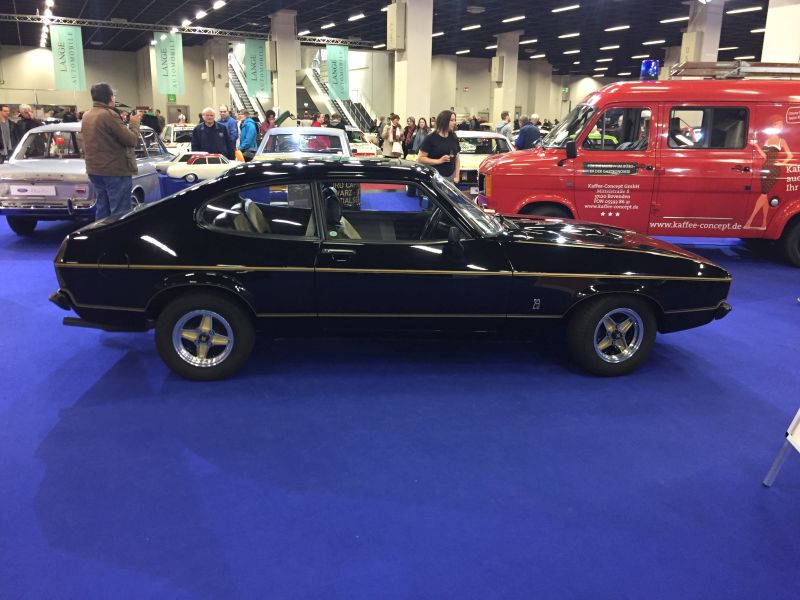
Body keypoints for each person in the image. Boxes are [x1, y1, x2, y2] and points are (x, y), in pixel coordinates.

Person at [81, 82, 142, 220]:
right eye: (113, 96)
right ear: (110, 97)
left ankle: (101, 234)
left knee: (103, 209)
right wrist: (134, 123)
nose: (114, 98)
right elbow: (131, 140)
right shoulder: (109, 115)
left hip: (95, 169)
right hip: (115, 170)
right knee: (120, 212)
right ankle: (118, 234)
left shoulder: (87, 115)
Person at [745, 116, 794, 229]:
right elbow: (765, 156)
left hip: (773, 170)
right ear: (773, 125)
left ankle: (750, 222)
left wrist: (781, 163)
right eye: (778, 124)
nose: (781, 126)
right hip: (765, 167)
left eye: (781, 125)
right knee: (764, 196)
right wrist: (756, 146)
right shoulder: (768, 140)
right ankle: (763, 224)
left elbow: (790, 155)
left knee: (763, 195)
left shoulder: (781, 141)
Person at [417, 109, 460, 183]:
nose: (454, 122)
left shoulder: (453, 136)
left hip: (451, 178)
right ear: (444, 121)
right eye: (452, 120)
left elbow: (457, 157)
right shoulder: (430, 138)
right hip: (435, 178)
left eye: (455, 120)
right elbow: (420, 158)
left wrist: (457, 176)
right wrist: (439, 161)